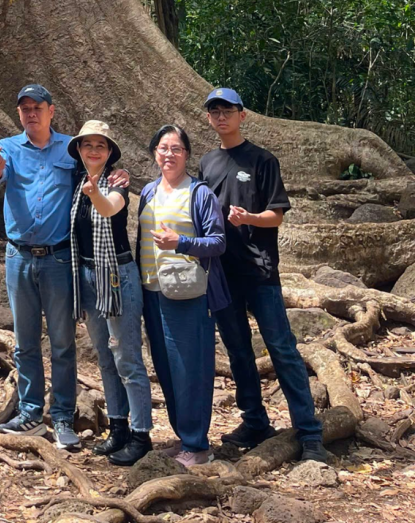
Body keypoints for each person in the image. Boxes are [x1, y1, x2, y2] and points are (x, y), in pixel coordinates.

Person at [0, 84, 128, 450]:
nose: (31, 113)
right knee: (25, 340)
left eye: (38, 107)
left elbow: (98, 167)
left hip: (59, 257)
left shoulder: (71, 148)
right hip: (18, 257)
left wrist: (118, 177)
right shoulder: (8, 147)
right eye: (25, 108)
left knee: (63, 341)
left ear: (51, 111)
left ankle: (63, 415)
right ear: (19, 114)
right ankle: (31, 412)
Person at [199, 88, 329, 462]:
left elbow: (277, 214)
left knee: (282, 349)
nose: (220, 116)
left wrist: (249, 218)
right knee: (239, 351)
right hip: (221, 273)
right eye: (214, 111)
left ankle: (309, 433)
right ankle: (255, 420)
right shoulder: (207, 163)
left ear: (243, 115)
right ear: (209, 118)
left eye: (227, 110)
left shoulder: (262, 160)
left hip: (259, 270)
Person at [138, 124, 230, 466]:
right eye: (163, 148)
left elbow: (218, 242)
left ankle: (197, 444)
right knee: (165, 367)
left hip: (189, 293)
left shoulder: (199, 194)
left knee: (190, 367)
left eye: (176, 149)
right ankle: (183, 438)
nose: (169, 155)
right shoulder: (147, 193)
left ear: (187, 155)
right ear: (154, 153)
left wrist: (181, 243)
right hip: (152, 290)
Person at [67, 120, 150, 465]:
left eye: (101, 145)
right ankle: (118, 426)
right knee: (104, 356)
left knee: (127, 356)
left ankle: (141, 433)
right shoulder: (75, 183)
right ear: (80, 150)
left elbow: (109, 208)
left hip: (117, 275)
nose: (94, 151)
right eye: (88, 145)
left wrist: (95, 192)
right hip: (86, 276)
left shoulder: (117, 184)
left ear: (110, 152)